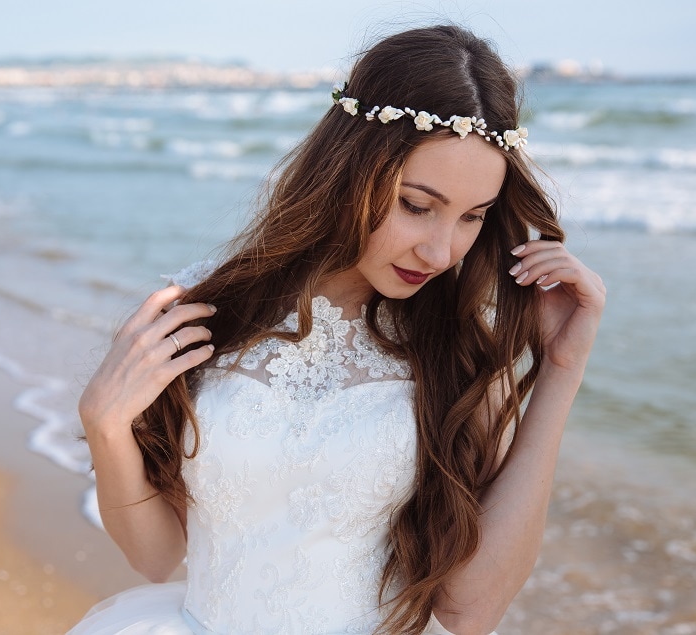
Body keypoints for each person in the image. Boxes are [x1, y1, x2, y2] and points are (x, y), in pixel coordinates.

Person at [69, 24, 605, 635]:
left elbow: (470, 611)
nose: (440, 250)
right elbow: (156, 555)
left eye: (472, 218)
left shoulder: (453, 355)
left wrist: (561, 372)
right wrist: (105, 425)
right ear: (352, 169)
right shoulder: (208, 311)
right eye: (416, 205)